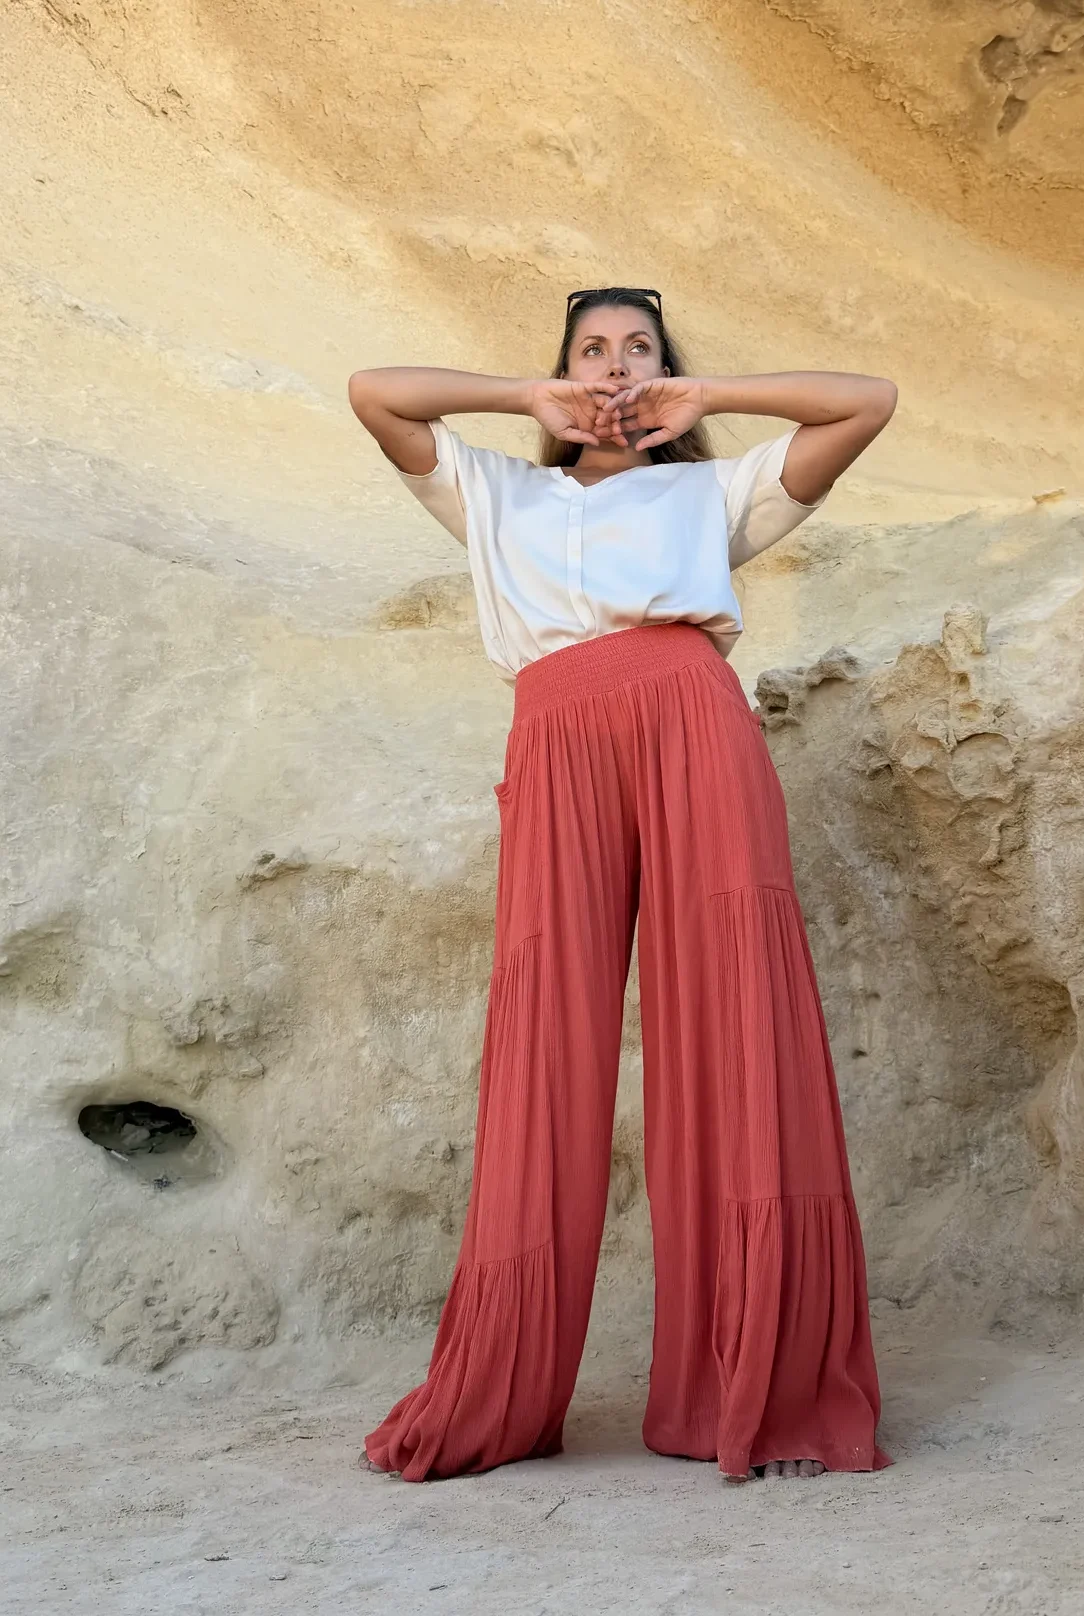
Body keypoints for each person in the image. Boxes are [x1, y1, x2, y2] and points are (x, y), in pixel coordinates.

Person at [347, 286, 897, 1484]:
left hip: (694, 718)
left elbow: (867, 402)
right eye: (590, 350)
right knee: (547, 1026)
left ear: (665, 371)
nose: (613, 366)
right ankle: (503, 1391)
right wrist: (521, 400)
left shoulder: (713, 494)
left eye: (637, 348)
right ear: (562, 371)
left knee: (733, 1020)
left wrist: (711, 398)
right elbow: (373, 394)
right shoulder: (496, 492)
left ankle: (753, 1387)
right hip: (555, 741)